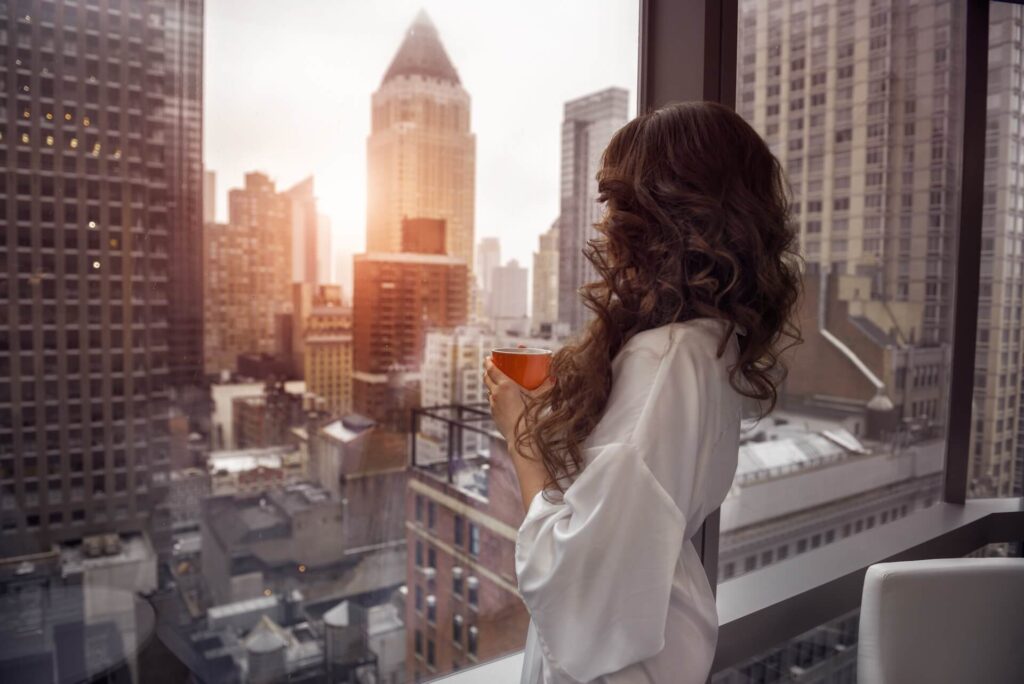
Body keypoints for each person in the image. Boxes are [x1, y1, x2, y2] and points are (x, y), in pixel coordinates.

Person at [482, 101, 802, 684]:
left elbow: (571, 573)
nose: (604, 224)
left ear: (661, 213)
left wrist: (519, 432)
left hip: (625, 661)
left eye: (615, 202)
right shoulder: (709, 346)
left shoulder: (669, 361)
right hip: (653, 627)